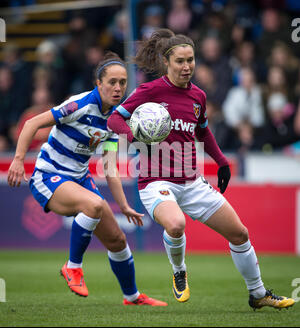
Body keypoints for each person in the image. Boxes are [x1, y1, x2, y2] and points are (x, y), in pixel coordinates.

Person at [107, 28, 295, 310]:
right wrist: (135, 136)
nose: (187, 67)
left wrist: (221, 162)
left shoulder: (198, 96)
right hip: (156, 181)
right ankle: (179, 271)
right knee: (176, 224)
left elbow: (204, 134)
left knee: (240, 234)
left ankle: (258, 294)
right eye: (180, 61)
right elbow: (114, 120)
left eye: (191, 60)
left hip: (192, 182)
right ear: (167, 63)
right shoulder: (150, 90)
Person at [7, 52, 167, 307]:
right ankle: (73, 268)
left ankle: (132, 297)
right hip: (48, 176)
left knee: (117, 239)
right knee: (93, 205)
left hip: (79, 179)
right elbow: (31, 124)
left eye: (122, 82)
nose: (117, 88)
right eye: (112, 82)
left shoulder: (115, 120)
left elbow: (109, 168)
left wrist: (124, 206)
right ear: (98, 83)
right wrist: (18, 159)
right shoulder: (78, 105)